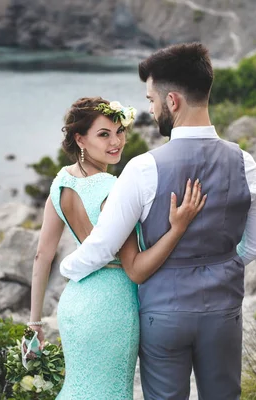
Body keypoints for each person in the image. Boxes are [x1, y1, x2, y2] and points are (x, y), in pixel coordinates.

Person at [59, 43, 256, 399]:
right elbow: (253, 247)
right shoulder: (244, 163)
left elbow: (103, 245)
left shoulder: (142, 169)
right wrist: (217, 270)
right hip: (223, 313)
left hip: (163, 316)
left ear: (173, 101)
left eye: (152, 101)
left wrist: (67, 268)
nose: (151, 111)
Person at [26, 96, 206, 399]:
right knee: (110, 391)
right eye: (104, 134)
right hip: (111, 306)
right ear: (80, 139)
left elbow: (42, 256)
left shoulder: (58, 183)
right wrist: (178, 229)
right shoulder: (113, 189)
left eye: (119, 131)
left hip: (74, 303)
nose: (116, 142)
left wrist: (34, 322)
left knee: (79, 387)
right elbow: (135, 266)